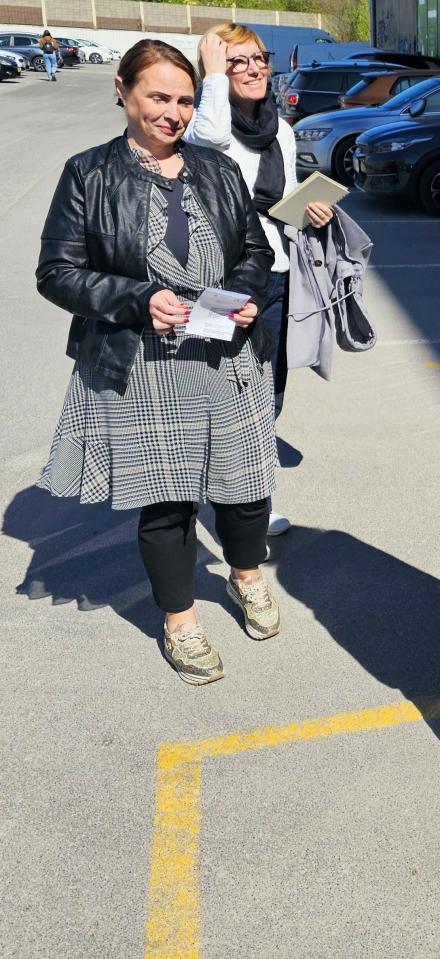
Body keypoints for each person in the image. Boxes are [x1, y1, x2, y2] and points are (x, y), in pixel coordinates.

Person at [35, 39, 281, 685]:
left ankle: (247, 576)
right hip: (145, 365)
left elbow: (255, 250)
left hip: (226, 355)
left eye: (185, 101)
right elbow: (56, 272)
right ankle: (180, 621)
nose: (173, 113)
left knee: (246, 488)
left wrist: (245, 294)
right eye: (159, 97)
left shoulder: (217, 168)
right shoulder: (88, 173)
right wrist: (137, 298)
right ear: (123, 90)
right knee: (168, 504)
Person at [186, 23, 334, 537]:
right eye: (238, 61)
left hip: (277, 274)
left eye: (259, 59)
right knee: (217, 390)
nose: (254, 69)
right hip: (222, 279)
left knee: (267, 392)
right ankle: (205, 490)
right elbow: (208, 144)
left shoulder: (281, 131)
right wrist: (210, 75)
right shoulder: (207, 124)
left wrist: (308, 211)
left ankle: (251, 501)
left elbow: (283, 198)